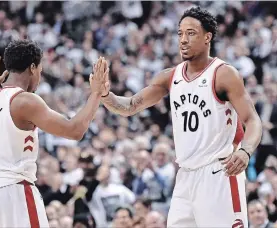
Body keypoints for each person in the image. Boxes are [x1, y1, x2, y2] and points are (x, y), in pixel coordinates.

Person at [91, 7, 262, 227]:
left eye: (191, 33)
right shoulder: (170, 76)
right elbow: (130, 105)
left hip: (218, 173)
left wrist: (246, 151)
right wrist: (104, 94)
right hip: (184, 177)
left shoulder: (223, 74)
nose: (183, 39)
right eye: (180, 33)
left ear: (207, 37)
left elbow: (253, 120)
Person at [0, 40, 109, 228]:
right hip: (12, 191)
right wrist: (96, 94)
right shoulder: (25, 100)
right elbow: (75, 130)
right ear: (33, 68)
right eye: (41, 71)